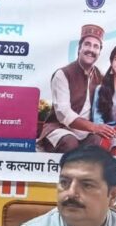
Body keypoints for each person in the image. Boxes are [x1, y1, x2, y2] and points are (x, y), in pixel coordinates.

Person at [38, 24, 112, 153]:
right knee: (70, 142)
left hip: (87, 133)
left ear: (99, 52)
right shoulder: (62, 74)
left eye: (96, 46)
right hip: (60, 129)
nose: (91, 50)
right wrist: (94, 127)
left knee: (98, 142)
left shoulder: (100, 77)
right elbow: (64, 113)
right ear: (79, 48)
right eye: (87, 44)